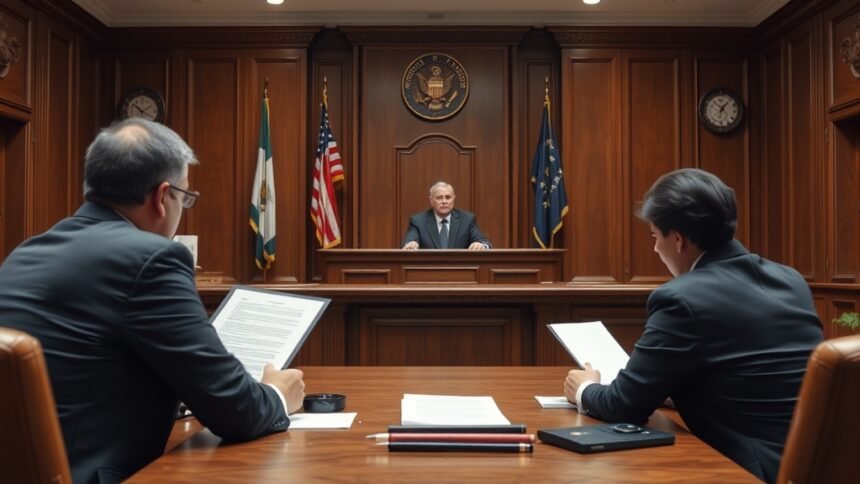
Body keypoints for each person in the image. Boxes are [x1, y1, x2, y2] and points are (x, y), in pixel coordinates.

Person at [0, 119, 305, 483]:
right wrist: (277, 393)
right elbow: (235, 412)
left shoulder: (25, 252)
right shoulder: (153, 258)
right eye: (185, 197)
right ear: (163, 197)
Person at [563, 168, 822, 483]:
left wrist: (585, 388)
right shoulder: (790, 279)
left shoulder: (681, 298)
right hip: (819, 465)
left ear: (677, 239)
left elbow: (624, 406)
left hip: (751, 472)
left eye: (655, 237)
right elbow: (749, 376)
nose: (655, 249)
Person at [401, 181, 491, 250]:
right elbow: (409, 241)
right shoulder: (418, 221)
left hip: (459, 271)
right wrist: (411, 244)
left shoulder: (467, 219)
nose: (444, 201)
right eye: (439, 198)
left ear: (453, 198)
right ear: (431, 200)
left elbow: (484, 242)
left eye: (448, 197)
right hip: (429, 271)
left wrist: (481, 245)